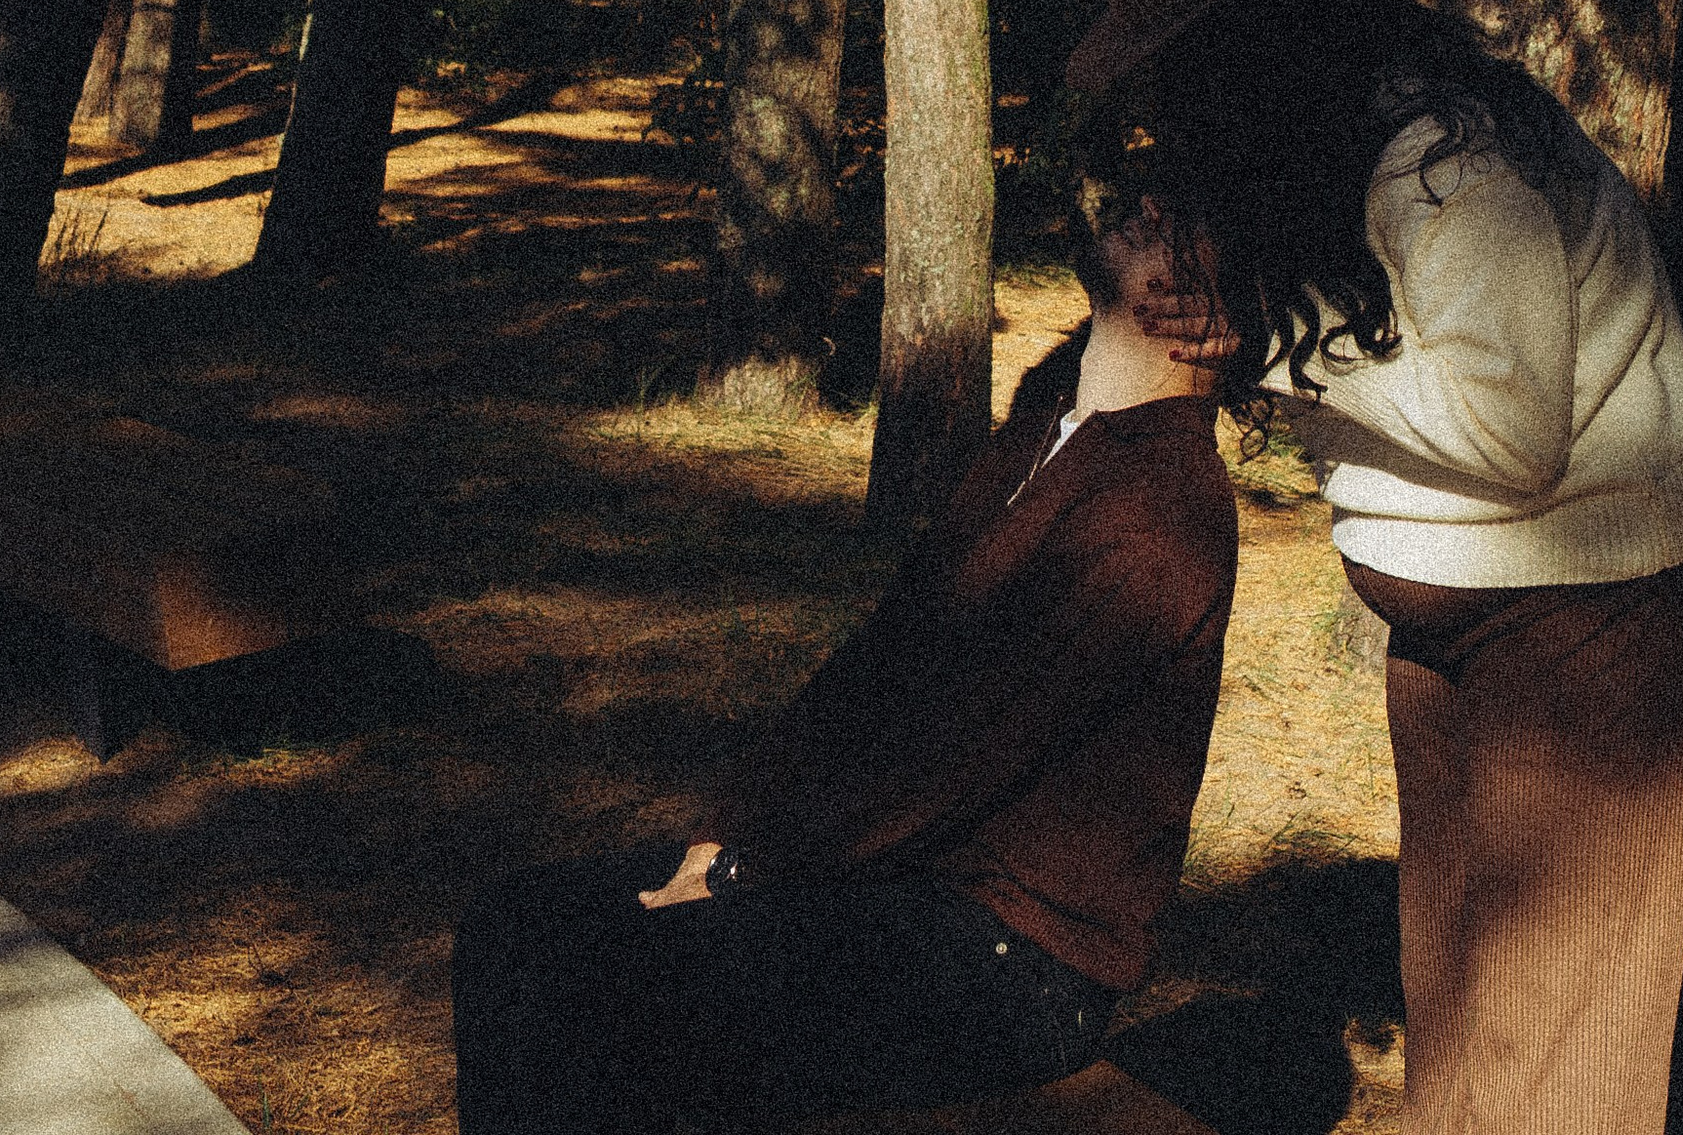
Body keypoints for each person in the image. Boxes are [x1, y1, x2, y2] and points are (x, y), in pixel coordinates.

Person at [1069, 0, 1683, 1135]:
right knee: (1460, 974)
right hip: (1467, 600)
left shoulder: (1446, 163)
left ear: (1241, 50)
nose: (1156, 104)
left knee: (1561, 1015)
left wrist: (1266, 343)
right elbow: (1373, 355)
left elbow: (1507, 431)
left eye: (1168, 70)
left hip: (1600, 597)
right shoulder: (1323, 144)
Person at [451, 202, 1236, 1135]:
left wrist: (749, 870)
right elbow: (870, 675)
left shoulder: (1160, 509)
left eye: (1185, 222)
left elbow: (953, 758)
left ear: (1219, 308)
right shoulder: (1041, 441)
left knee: (598, 978)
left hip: (1013, 960)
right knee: (516, 922)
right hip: (903, 881)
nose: (1150, 207)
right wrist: (723, 832)